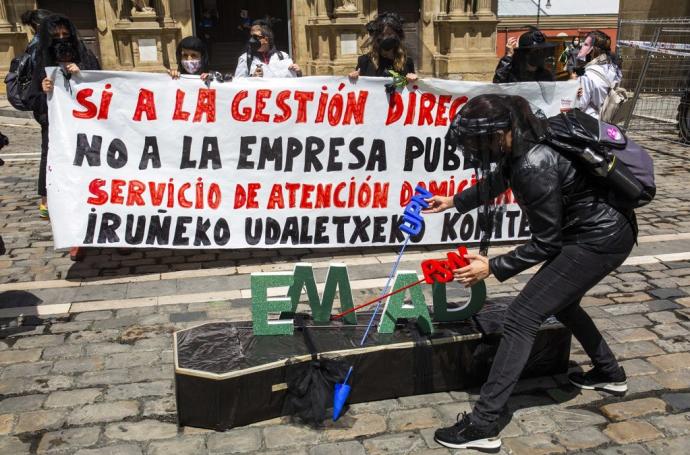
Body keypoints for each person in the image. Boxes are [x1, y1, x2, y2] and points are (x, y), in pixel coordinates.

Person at [425, 94, 634, 451]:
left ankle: (483, 424)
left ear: (503, 132)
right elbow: (499, 180)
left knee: (522, 316)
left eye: (479, 140)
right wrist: (454, 202)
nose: (475, 148)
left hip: (598, 240)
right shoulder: (527, 141)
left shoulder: (534, 163)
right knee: (563, 304)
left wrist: (493, 266)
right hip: (597, 231)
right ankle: (609, 374)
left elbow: (546, 243)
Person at [26, 13, 100, 261]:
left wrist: (84, 75)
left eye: (64, 35)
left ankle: (105, 233)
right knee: (70, 188)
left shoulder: (86, 57)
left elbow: (104, 87)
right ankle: (76, 238)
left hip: (90, 138)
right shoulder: (41, 63)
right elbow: (30, 101)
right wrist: (43, 90)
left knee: (97, 186)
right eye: (55, 35)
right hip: (60, 141)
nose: (60, 39)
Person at [348, 12, 417, 82]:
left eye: (390, 34)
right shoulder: (365, 61)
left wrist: (413, 79)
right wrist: (354, 77)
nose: (385, 38)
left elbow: (412, 88)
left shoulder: (407, 62)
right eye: (382, 34)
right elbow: (358, 88)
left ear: (398, 36)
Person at [576, 30, 622, 119]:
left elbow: (580, 105)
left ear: (592, 50)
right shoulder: (612, 68)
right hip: (606, 120)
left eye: (585, 44)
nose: (581, 46)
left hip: (588, 124)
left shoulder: (587, 75)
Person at [234, 20, 301, 78]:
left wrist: (298, 73)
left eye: (255, 37)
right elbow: (238, 84)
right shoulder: (245, 59)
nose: (251, 40)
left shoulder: (283, 57)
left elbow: (293, 83)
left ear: (266, 39)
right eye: (251, 37)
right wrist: (252, 78)